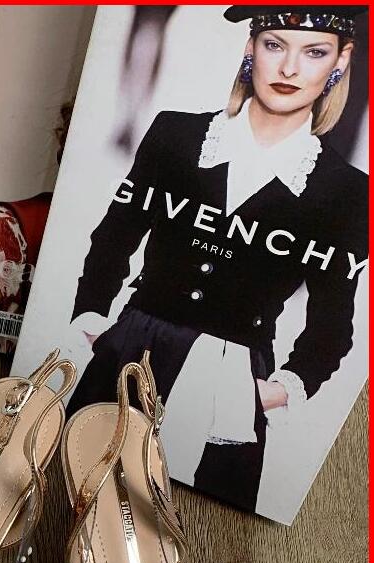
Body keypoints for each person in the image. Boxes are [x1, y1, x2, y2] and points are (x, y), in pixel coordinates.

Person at [68, 5, 368, 512]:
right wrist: (99, 323)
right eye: (274, 45)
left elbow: (332, 325)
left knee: (203, 520)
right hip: (132, 353)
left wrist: (276, 390)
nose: (289, 68)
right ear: (250, 48)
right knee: (76, 487)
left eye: (314, 52)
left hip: (235, 385)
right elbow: (115, 236)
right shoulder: (176, 135)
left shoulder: (347, 191)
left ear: (340, 61)